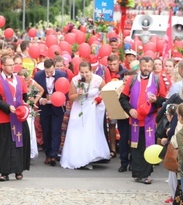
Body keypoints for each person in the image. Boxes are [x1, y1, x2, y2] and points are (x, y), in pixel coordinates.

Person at [119, 56, 167, 184]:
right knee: (135, 147)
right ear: (140, 66)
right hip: (134, 120)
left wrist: (155, 101)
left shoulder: (157, 80)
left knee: (147, 147)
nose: (146, 68)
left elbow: (163, 100)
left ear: (152, 67)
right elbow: (122, 98)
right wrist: (129, 110)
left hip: (149, 120)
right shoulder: (132, 79)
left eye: (149, 66)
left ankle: (145, 174)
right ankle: (137, 173)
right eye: (144, 66)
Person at [61, 61, 109, 169]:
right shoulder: (75, 80)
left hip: (92, 108)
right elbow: (70, 97)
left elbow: (105, 91)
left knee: (90, 133)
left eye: (86, 72)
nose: (84, 75)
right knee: (77, 132)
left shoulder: (97, 79)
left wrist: (98, 99)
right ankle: (77, 158)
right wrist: (78, 94)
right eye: (82, 72)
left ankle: (89, 157)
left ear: (90, 71)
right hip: (79, 108)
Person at [0, 56, 30, 181]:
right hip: (3, 119)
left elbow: (25, 96)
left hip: (18, 118)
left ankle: (19, 169)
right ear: (2, 66)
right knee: (4, 147)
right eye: (9, 65)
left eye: (13, 64)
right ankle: (4, 172)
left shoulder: (20, 80)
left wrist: (24, 106)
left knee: (19, 145)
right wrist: (8, 107)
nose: (12, 67)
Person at [34, 59, 68, 166]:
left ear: (54, 68)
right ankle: (48, 154)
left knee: (55, 130)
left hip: (57, 107)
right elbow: (34, 91)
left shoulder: (62, 74)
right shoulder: (38, 75)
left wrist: (59, 98)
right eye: (47, 72)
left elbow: (66, 91)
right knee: (46, 130)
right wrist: (40, 100)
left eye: (51, 72)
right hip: (45, 108)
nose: (49, 73)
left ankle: (53, 154)